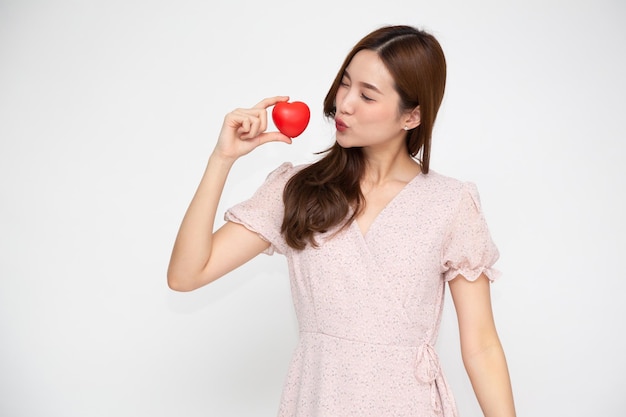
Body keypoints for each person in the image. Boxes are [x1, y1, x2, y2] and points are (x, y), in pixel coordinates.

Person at [167, 24, 516, 417]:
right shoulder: (298, 188)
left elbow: (482, 345)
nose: (344, 104)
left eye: (367, 95)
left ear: (412, 116)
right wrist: (222, 159)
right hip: (320, 400)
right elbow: (186, 274)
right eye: (345, 85)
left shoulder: (450, 202)